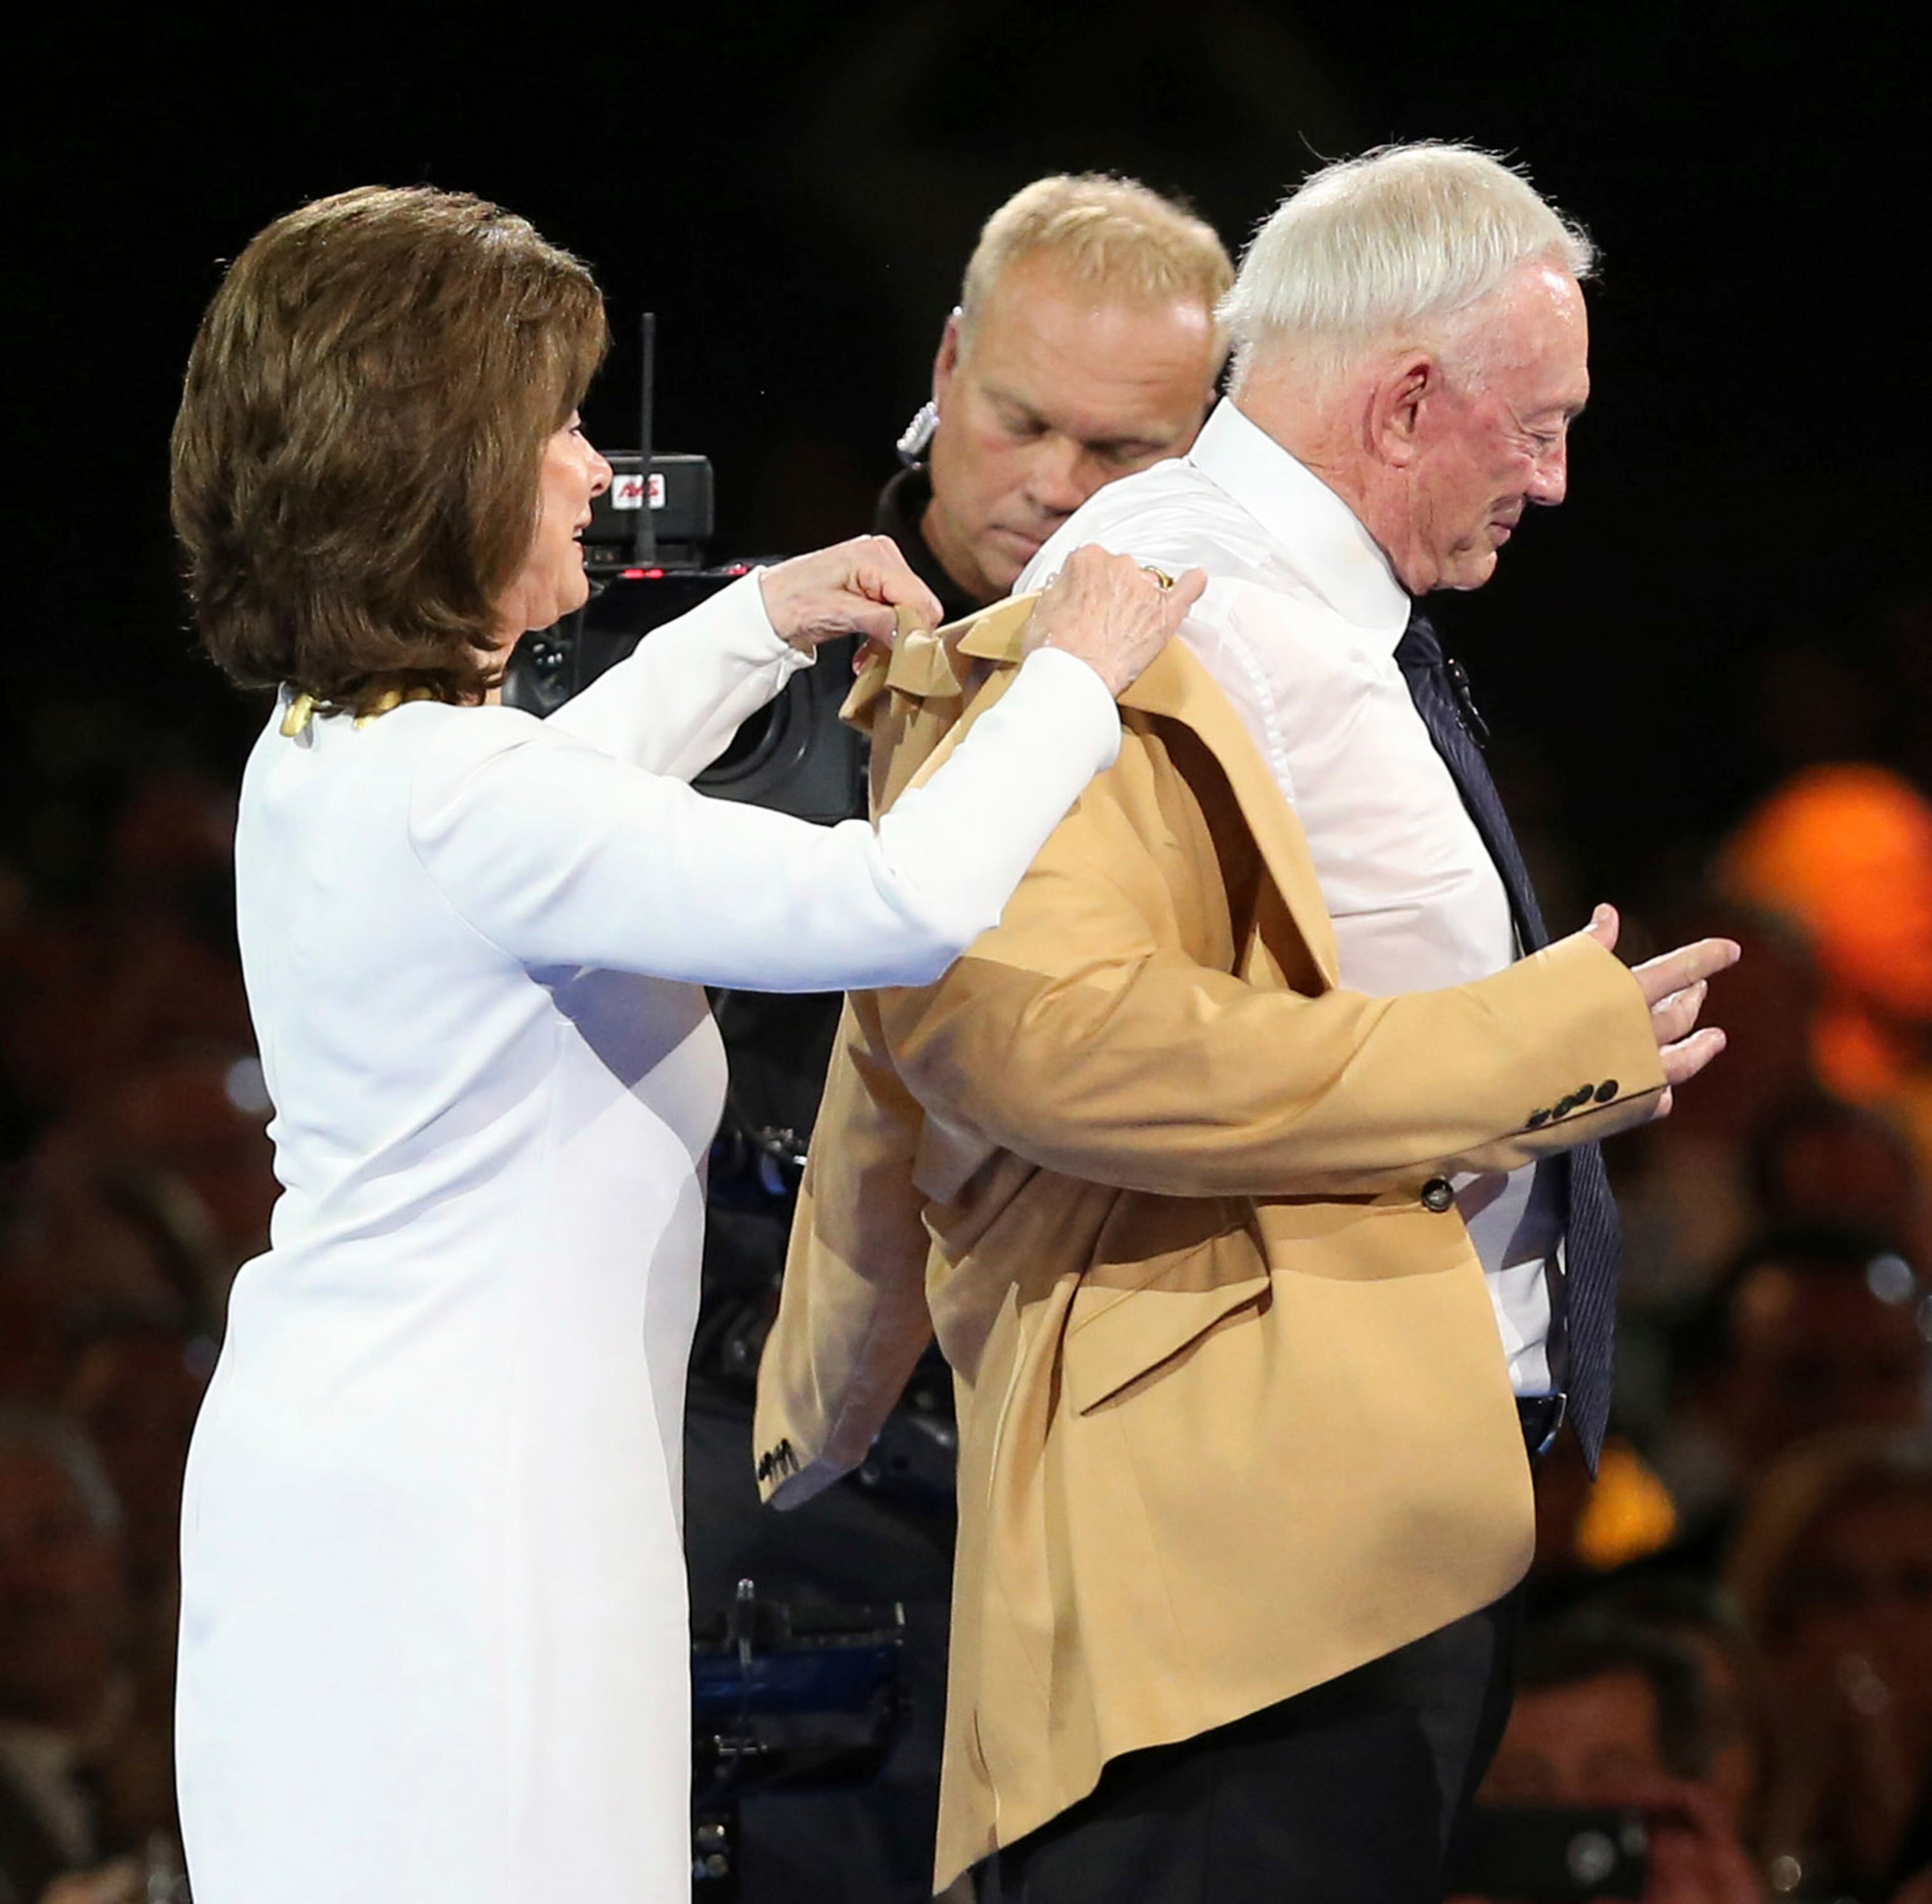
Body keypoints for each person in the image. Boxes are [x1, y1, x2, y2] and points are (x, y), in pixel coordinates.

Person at [164, 184, 1201, 1904]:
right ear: (439, 473)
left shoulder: (341, 747)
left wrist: (749, 625)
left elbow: (560, 805)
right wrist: (1079, 672)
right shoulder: (465, 801)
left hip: (384, 1482)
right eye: (552, 429)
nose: (590, 469)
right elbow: (900, 897)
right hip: (467, 1531)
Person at [756, 141, 1739, 1901]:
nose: (1561, 477)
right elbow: (1034, 1037)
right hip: (1236, 1589)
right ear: (1409, 397)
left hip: (1342, 1553)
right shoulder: (1155, 592)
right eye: (1538, 425)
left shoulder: (1302, 612)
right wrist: (1523, 1053)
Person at [879, 173, 1231, 622]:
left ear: (1202, 434)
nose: (1055, 490)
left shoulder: (1266, 681)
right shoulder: (768, 652)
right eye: (1022, 424)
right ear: (949, 363)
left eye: (1120, 450)